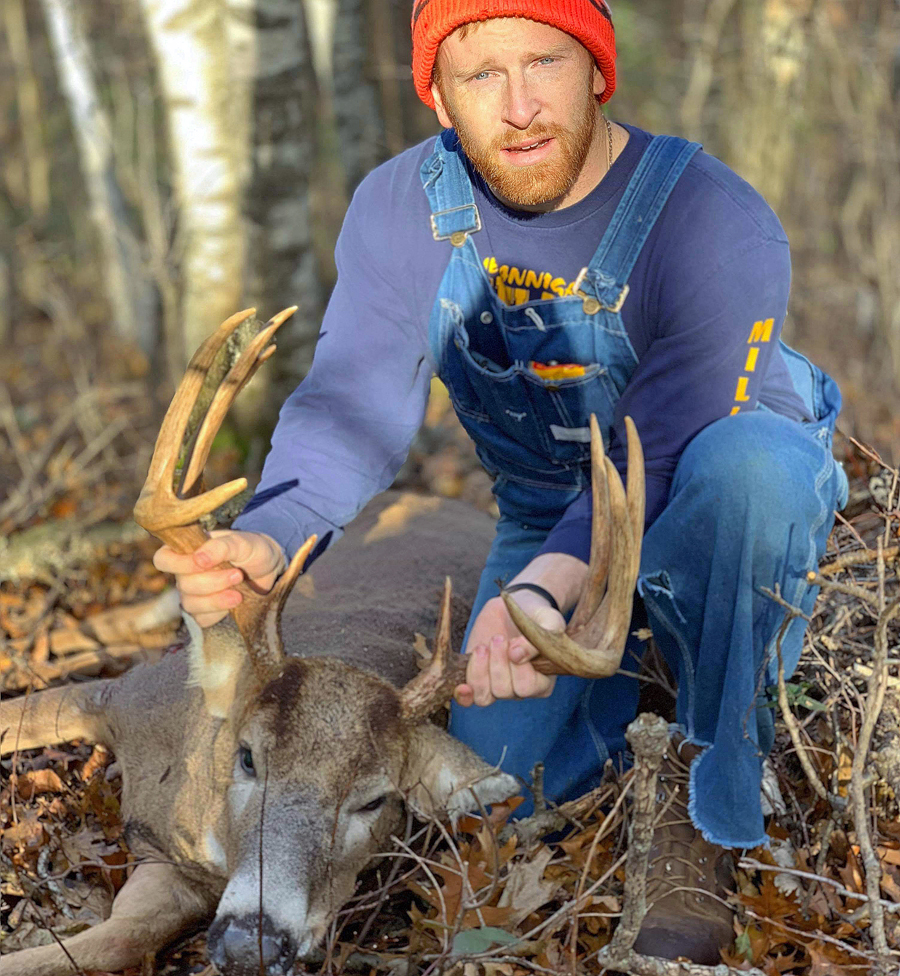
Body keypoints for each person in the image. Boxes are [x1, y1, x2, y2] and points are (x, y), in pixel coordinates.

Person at [153, 0, 848, 961]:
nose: (521, 107)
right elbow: (351, 406)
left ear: (598, 70)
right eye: (481, 75)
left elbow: (678, 430)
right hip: (540, 513)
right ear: (437, 96)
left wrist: (546, 583)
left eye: (546, 63)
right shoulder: (404, 211)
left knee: (752, 473)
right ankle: (651, 692)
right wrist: (270, 535)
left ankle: (711, 790)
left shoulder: (713, 218)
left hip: (709, 490)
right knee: (500, 799)